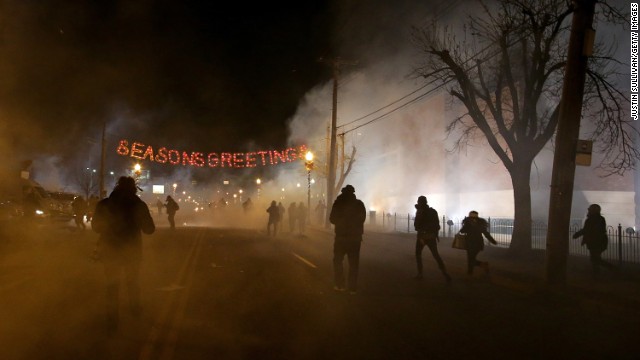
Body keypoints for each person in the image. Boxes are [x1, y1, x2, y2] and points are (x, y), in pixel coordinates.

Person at [91, 176, 155, 335]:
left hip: (110, 250)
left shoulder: (105, 204)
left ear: (117, 187)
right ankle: (135, 311)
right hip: (131, 251)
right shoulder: (138, 205)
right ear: (133, 188)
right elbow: (149, 229)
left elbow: (96, 227)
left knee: (112, 286)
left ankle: (112, 321)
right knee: (132, 282)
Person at [329, 185, 366, 294]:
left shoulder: (338, 203)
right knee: (354, 264)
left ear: (343, 192)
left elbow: (332, 219)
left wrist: (341, 223)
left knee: (338, 261)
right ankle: (352, 288)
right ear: (353, 193)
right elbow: (362, 219)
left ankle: (339, 284)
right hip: (355, 238)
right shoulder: (359, 204)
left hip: (341, 237)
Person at [413, 196, 451, 284]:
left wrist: (421, 235)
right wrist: (435, 234)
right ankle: (445, 273)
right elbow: (437, 225)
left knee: (418, 254)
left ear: (419, 202)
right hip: (431, 236)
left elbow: (416, 226)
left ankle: (420, 274)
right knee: (436, 255)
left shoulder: (420, 211)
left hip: (422, 237)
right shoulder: (433, 211)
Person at [572, 204, 615, 278]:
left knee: (595, 259)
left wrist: (577, 235)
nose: (588, 211)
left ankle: (610, 269)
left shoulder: (591, 220)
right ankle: (597, 274)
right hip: (599, 242)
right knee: (595, 259)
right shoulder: (601, 219)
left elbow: (586, 230)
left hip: (595, 242)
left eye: (590, 210)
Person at [460, 210, 497, 276]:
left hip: (470, 243)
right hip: (478, 244)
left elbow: (462, 231)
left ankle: (482, 265)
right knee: (471, 258)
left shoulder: (467, 223)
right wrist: (492, 241)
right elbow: (486, 233)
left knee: (470, 259)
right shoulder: (480, 224)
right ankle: (470, 272)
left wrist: (465, 226)